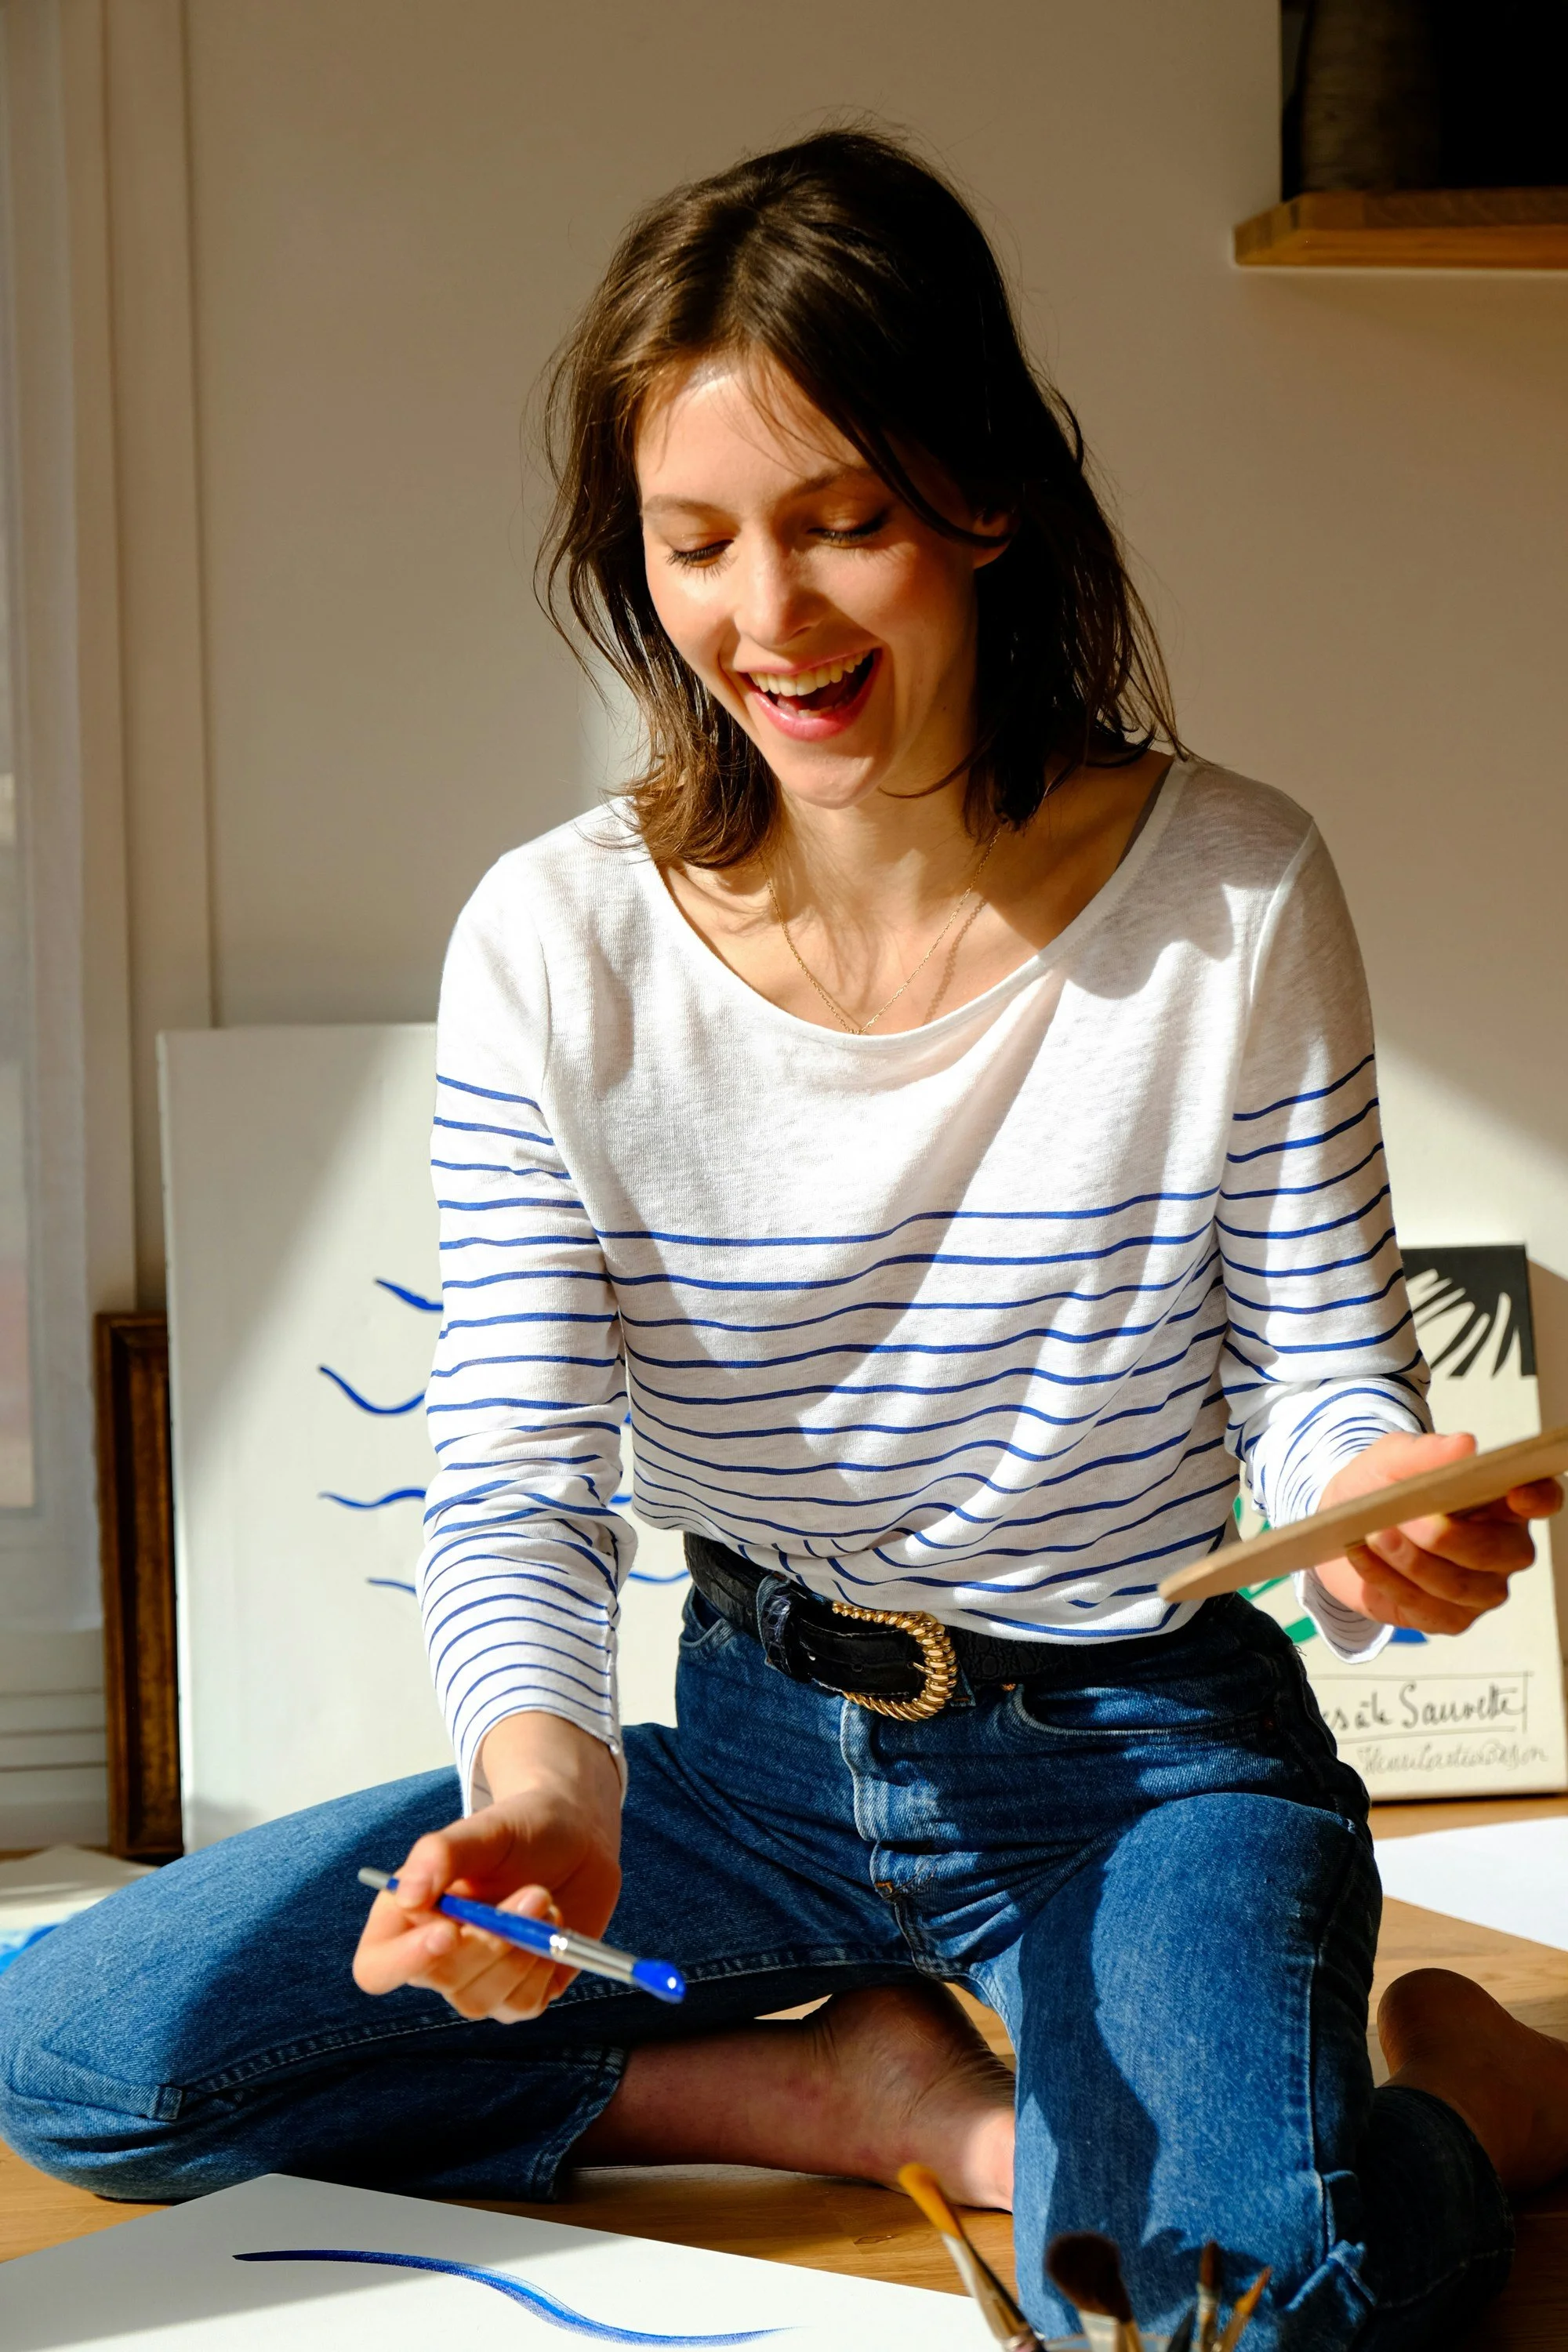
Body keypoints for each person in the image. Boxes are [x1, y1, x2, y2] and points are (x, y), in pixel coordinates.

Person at [2, 129, 1563, 2350]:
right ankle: (854, 2097)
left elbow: (1323, 1375)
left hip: (1134, 1765)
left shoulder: (1232, 897)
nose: (769, 619)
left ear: (986, 497)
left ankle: (1465, 2105)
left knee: (1238, 2305)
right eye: (696, 543)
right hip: (742, 1753)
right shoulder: (558, 943)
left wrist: (1368, 1497)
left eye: (842, 525)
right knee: (87, 2056)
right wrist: (544, 1803)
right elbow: (518, 1470)